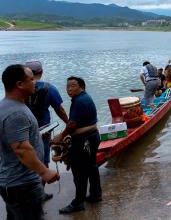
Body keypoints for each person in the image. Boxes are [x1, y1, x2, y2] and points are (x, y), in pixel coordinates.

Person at [0, 64, 60, 219]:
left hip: (13, 182)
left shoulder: (6, 106)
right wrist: (44, 172)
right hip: (23, 185)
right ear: (19, 84)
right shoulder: (16, 113)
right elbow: (21, 149)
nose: (35, 83)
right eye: (31, 80)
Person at [54, 76, 102, 214]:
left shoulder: (80, 101)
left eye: (73, 86)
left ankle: (78, 203)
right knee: (91, 167)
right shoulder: (83, 98)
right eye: (68, 86)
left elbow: (72, 124)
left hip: (85, 140)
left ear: (82, 87)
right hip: (92, 136)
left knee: (79, 170)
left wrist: (61, 136)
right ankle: (95, 195)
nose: (69, 89)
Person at [24, 60, 68, 202]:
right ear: (41, 72)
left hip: (22, 132)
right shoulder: (50, 88)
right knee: (42, 161)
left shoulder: (19, 88)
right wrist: (69, 124)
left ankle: (27, 194)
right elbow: (59, 109)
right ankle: (40, 194)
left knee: (25, 160)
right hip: (44, 131)